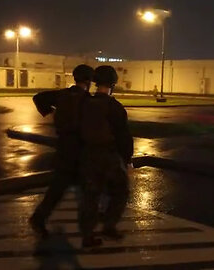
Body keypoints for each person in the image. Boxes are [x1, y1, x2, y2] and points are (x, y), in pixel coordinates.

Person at [29, 64, 95, 238]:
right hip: (80, 151)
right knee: (87, 191)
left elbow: (38, 98)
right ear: (89, 81)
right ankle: (87, 231)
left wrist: (51, 114)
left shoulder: (61, 95)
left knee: (58, 189)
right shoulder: (88, 100)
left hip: (63, 148)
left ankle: (39, 218)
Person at [79, 65, 134, 248]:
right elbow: (124, 137)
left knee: (91, 196)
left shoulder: (85, 103)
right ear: (113, 84)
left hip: (88, 155)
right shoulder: (115, 107)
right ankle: (109, 226)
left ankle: (88, 236)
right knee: (121, 191)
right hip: (109, 157)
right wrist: (127, 161)